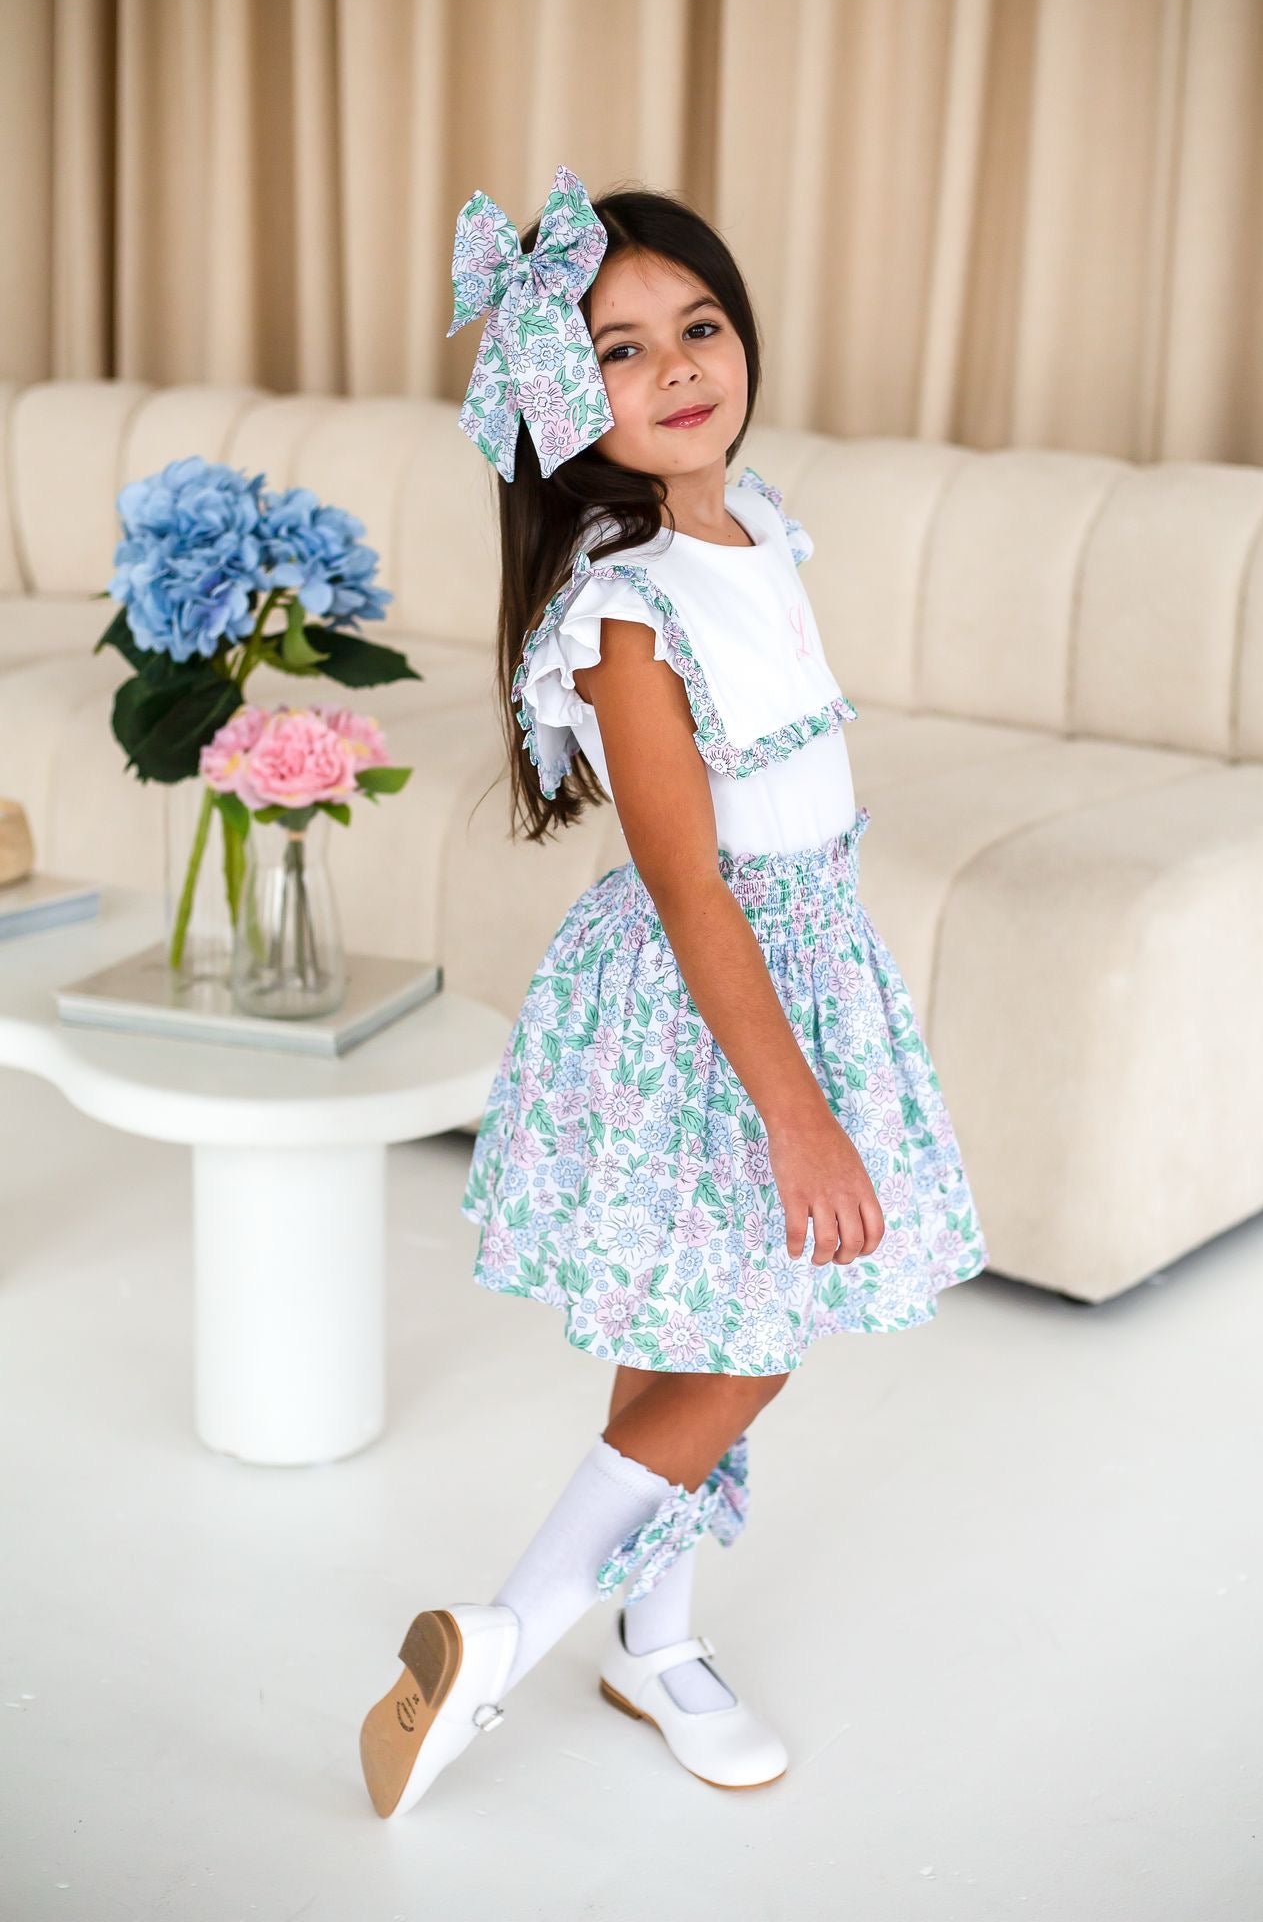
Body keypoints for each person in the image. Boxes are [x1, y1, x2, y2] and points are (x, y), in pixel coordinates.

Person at [359, 164, 988, 1816]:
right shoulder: (622, 611)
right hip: (702, 1001)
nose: (678, 368)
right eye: (619, 351)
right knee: (752, 1329)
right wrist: (798, 1116)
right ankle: (511, 1630)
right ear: (560, 401)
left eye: (696, 326)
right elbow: (690, 882)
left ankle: (654, 1637)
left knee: (688, 1325)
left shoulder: (753, 521)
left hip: (804, 958)